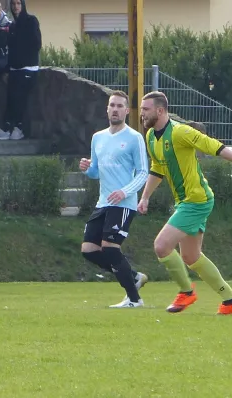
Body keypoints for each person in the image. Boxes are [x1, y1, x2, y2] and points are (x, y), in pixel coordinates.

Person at [138, 91, 232, 314]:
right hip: (185, 202)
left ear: (160, 110)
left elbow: (215, 146)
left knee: (161, 246)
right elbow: (157, 168)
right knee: (191, 257)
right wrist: (145, 197)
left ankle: (187, 293)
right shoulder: (150, 137)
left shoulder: (181, 132)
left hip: (196, 200)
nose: (141, 113)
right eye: (141, 109)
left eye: (145, 109)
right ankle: (231, 301)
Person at [79, 91, 149, 308]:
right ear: (107, 109)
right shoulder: (98, 137)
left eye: (120, 106)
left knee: (110, 247)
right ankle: (134, 276)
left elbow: (143, 172)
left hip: (124, 204)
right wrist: (87, 169)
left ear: (127, 111)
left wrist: (124, 192)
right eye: (112, 105)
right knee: (89, 250)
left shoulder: (134, 138)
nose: (116, 109)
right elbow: (95, 172)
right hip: (103, 202)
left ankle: (134, 299)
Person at [0, 0, 41, 141]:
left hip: (28, 68)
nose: (16, 7)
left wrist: (21, 56)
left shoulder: (31, 21)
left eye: (18, 3)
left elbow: (36, 44)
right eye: (13, 4)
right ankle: (6, 128)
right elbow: (10, 50)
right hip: (14, 69)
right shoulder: (13, 26)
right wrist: (8, 68)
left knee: (19, 99)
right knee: (10, 99)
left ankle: (18, 128)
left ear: (22, 5)